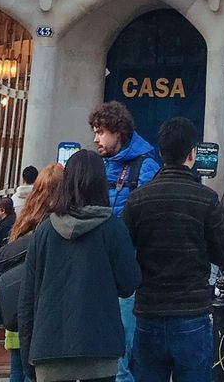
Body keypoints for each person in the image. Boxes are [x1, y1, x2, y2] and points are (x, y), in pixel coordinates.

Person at [123, 116, 224, 382]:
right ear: (192, 153)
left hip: (149, 310)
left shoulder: (138, 199)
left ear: (161, 153)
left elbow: (124, 254)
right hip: (191, 311)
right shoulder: (206, 200)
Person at [18, 149, 141, 382]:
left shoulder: (44, 231)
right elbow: (129, 284)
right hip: (99, 351)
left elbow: (27, 299)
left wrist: (28, 358)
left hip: (48, 351)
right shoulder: (113, 228)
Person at [91, 100, 162, 382]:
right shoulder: (99, 165)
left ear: (118, 131)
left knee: (122, 353)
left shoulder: (145, 166)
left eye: (101, 132)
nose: (95, 139)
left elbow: (149, 219)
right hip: (100, 262)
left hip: (128, 262)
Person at [0, 162, 61, 382]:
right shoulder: (57, 225)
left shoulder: (22, 221)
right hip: (42, 319)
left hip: (15, 315)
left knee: (17, 371)